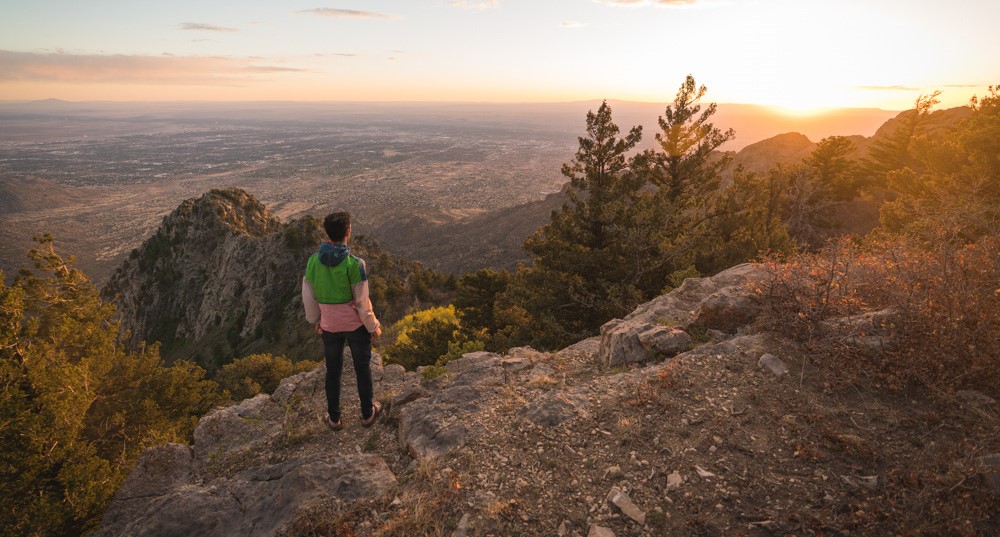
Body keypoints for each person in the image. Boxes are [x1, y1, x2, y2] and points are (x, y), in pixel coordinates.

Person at [302, 211, 383, 431]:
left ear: (326, 232)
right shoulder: (354, 264)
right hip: (356, 326)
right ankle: (367, 414)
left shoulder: (313, 262)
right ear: (348, 231)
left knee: (333, 370)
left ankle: (334, 418)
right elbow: (362, 302)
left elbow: (309, 296)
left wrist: (317, 320)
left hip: (329, 326)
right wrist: (373, 326)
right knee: (362, 369)